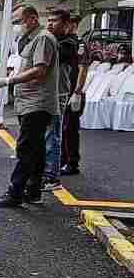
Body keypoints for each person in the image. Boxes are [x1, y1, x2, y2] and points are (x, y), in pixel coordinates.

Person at [0, 5, 59, 207]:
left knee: (26, 148)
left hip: (37, 102)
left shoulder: (43, 38)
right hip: (28, 101)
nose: (16, 26)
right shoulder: (30, 39)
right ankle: (33, 190)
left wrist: (9, 81)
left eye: (18, 21)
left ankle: (15, 193)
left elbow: (39, 70)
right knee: (35, 149)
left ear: (33, 19)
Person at [42, 9, 74, 190]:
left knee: (52, 135)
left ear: (66, 24)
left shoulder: (68, 43)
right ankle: (45, 172)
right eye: (49, 21)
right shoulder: (48, 40)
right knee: (44, 135)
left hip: (58, 94)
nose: (50, 24)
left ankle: (52, 176)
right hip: (45, 93)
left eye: (55, 21)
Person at [60, 14, 89, 175]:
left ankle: (72, 162)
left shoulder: (80, 44)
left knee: (70, 128)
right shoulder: (64, 42)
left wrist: (77, 91)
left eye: (68, 23)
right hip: (64, 90)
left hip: (73, 91)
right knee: (62, 127)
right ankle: (62, 159)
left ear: (73, 25)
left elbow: (83, 68)